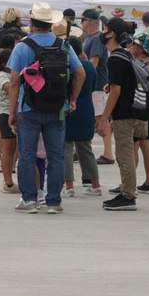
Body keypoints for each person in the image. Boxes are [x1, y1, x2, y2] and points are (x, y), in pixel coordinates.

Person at [7, 2, 85, 214]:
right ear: (51, 23)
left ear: (31, 23)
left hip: (28, 109)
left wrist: (12, 112)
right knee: (56, 155)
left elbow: (14, 82)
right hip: (57, 108)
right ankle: (53, 202)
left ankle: (30, 200)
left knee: (27, 155)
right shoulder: (64, 46)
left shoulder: (22, 47)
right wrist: (73, 99)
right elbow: (81, 74)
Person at [96, 17, 142, 211]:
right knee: (126, 153)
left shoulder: (115, 57)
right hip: (133, 110)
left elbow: (117, 92)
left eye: (104, 28)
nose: (102, 31)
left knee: (124, 155)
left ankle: (128, 196)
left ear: (111, 34)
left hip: (124, 113)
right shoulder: (125, 54)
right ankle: (127, 191)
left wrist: (104, 118)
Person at [61, 35, 102, 197]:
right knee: (86, 149)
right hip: (86, 110)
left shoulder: (66, 66)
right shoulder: (89, 66)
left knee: (66, 148)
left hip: (68, 108)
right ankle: (95, 184)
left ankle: (69, 186)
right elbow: (92, 87)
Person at [128, 33, 149, 195]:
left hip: (138, 108)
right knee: (146, 143)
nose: (129, 47)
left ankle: (129, 184)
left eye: (133, 44)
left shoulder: (136, 64)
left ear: (141, 49)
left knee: (133, 145)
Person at [80, 8, 114, 166]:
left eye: (82, 20)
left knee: (101, 118)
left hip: (98, 84)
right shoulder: (89, 38)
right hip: (93, 84)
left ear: (88, 21)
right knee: (93, 118)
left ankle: (108, 153)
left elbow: (93, 62)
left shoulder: (96, 39)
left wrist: (82, 79)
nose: (81, 23)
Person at [0, 48, 19, 193]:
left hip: (15, 113)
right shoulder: (2, 76)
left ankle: (11, 175)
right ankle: (8, 182)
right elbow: (10, 88)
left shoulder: (10, 74)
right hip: (6, 113)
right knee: (7, 149)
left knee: (15, 147)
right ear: (3, 64)